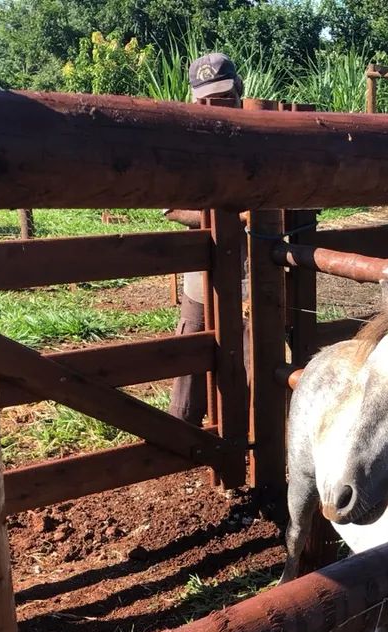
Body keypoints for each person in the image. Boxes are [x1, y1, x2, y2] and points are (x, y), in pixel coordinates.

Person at [165, 53, 247, 425]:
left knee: (252, 361)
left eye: (223, 97)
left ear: (239, 93)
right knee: (191, 364)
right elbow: (170, 206)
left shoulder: (260, 137)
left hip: (251, 281)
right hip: (203, 278)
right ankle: (183, 438)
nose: (214, 107)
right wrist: (229, 217)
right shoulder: (184, 146)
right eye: (205, 99)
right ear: (193, 99)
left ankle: (248, 439)